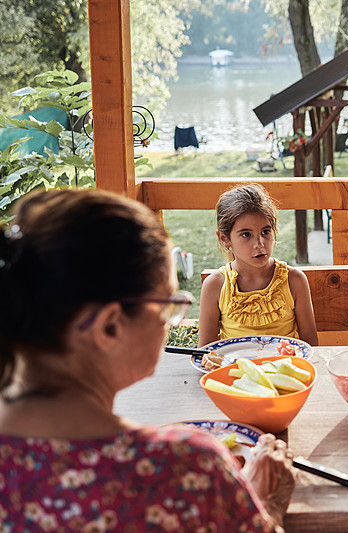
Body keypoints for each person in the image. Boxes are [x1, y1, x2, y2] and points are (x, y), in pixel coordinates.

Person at [0, 189, 296, 531]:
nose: (169, 323)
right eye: (168, 305)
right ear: (110, 326)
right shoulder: (183, 466)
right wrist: (268, 505)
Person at [198, 183, 319, 347]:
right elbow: (205, 350)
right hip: (234, 365)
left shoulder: (294, 280)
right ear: (224, 238)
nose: (259, 244)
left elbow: (310, 341)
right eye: (246, 235)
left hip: (285, 364)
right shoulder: (215, 285)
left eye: (266, 232)